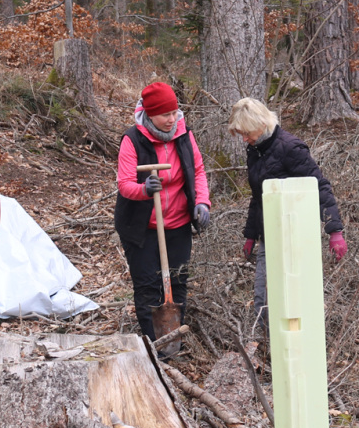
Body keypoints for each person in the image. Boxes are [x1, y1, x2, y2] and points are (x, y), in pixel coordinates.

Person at [228, 97, 345, 332]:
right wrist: (251, 235)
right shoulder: (255, 150)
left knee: (291, 301)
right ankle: (262, 352)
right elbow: (258, 196)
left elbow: (319, 187)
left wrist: (335, 230)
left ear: (261, 124)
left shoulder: (290, 148)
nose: (244, 139)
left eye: (246, 132)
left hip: (295, 236)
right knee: (263, 300)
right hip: (268, 236)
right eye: (241, 134)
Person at [114, 82, 211, 355]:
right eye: (165, 114)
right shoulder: (132, 140)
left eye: (175, 112)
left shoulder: (183, 134)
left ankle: (173, 345)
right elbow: (124, 184)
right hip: (142, 227)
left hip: (178, 222)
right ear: (150, 114)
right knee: (148, 287)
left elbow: (199, 170)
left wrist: (202, 202)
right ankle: (153, 349)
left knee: (177, 282)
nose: (172, 119)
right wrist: (144, 190)